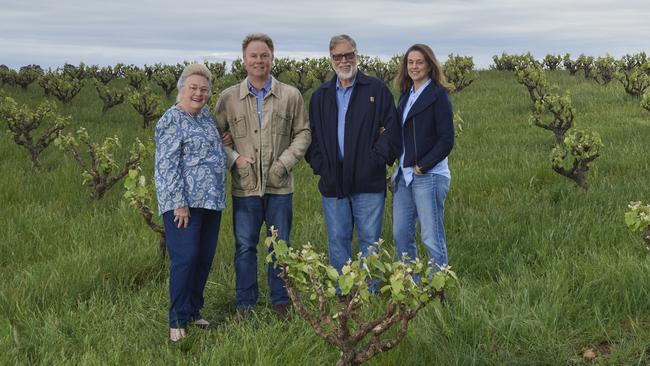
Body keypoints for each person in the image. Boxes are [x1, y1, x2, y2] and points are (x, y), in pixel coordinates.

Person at [214, 33, 311, 318]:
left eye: (264, 55)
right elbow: (215, 135)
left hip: (279, 186)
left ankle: (281, 301)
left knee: (280, 246)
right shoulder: (229, 97)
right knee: (245, 247)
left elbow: (303, 132)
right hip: (245, 187)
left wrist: (284, 163)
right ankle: (246, 304)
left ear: (272, 58)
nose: (259, 60)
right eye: (253, 55)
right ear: (244, 60)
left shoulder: (290, 95)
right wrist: (234, 158)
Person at [306, 34, 401, 275]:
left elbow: (392, 131)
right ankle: (343, 294)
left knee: (370, 241)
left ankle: (369, 294)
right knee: (338, 240)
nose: (344, 61)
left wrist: (375, 161)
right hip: (333, 181)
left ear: (356, 55)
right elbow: (311, 137)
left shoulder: (376, 90)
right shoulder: (320, 96)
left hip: (368, 181)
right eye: (338, 56)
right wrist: (321, 166)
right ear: (331, 59)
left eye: (349, 55)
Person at [154, 63, 228, 342]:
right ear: (181, 89)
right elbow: (167, 166)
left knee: (203, 258)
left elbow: (208, 148)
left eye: (204, 89)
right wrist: (178, 203)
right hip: (184, 204)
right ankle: (176, 320)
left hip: (211, 201)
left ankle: (193, 311)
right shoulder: (171, 120)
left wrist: (222, 141)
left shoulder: (206, 118)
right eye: (193, 88)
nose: (199, 93)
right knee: (184, 259)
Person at [391, 44, 454, 271]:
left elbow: (447, 139)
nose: (414, 66)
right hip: (404, 175)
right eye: (410, 62)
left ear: (429, 65)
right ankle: (410, 286)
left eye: (419, 62)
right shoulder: (406, 96)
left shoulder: (438, 96)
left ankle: (438, 290)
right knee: (400, 234)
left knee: (431, 236)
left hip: (429, 175)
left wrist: (423, 165)